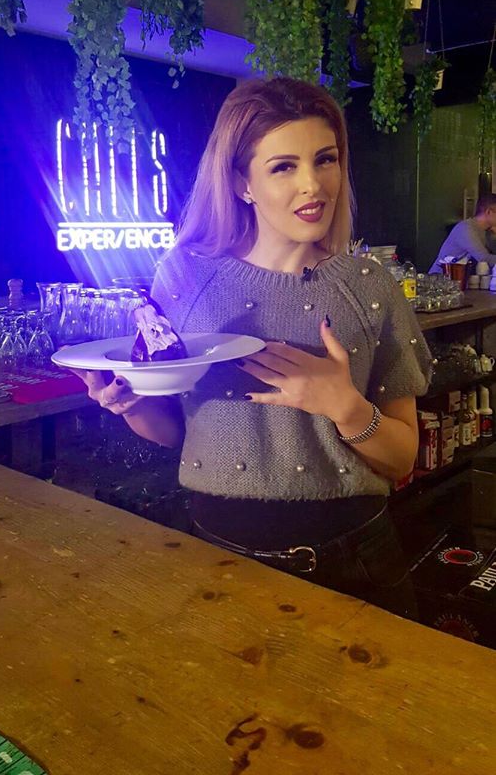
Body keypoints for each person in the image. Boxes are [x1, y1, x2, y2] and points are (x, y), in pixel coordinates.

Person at [77, 78, 432, 619]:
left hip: (352, 558)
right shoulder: (184, 278)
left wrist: (345, 408)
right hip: (216, 553)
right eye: (283, 166)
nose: (313, 185)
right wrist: (130, 404)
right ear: (242, 182)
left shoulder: (370, 288)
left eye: (326, 159)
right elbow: (177, 434)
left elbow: (403, 457)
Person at [429, 194, 496, 273]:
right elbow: (484, 258)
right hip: (442, 277)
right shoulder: (466, 228)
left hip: (463, 277)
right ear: (488, 212)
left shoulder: (486, 230)